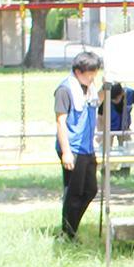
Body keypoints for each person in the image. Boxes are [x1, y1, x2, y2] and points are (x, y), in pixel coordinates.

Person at [54, 50, 102, 240]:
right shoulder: (65, 90)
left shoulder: (88, 89)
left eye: (95, 72)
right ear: (78, 71)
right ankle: (67, 233)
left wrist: (106, 88)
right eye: (90, 73)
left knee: (90, 190)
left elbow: (95, 103)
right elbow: (60, 121)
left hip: (87, 147)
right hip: (72, 147)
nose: (93, 77)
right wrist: (66, 151)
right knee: (74, 192)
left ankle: (71, 226)